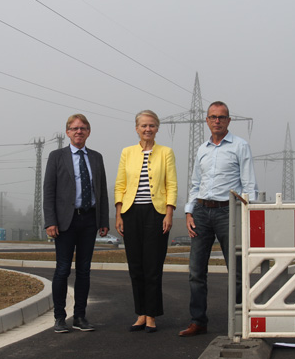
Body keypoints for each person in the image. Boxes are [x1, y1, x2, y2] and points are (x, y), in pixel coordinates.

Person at [179, 101, 258, 337]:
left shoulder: (240, 146)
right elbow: (195, 183)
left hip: (228, 212)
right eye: (213, 117)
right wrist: (189, 211)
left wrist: (248, 214)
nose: (217, 121)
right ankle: (198, 321)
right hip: (202, 212)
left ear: (229, 121)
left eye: (221, 117)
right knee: (196, 271)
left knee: (235, 270)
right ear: (206, 120)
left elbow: (249, 184)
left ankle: (240, 320)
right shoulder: (202, 149)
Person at [43, 113, 109, 333]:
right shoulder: (56, 156)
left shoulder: (96, 157)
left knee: (84, 270)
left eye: (83, 128)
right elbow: (49, 191)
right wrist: (50, 221)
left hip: (89, 220)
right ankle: (60, 317)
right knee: (62, 270)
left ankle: (80, 317)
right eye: (74, 128)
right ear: (67, 132)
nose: (78, 132)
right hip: (64, 222)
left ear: (88, 132)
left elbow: (102, 191)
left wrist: (103, 220)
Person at [114, 110, 177, 333]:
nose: (147, 129)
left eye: (151, 125)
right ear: (136, 128)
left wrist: (169, 213)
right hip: (131, 213)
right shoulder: (127, 152)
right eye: (143, 126)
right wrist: (119, 213)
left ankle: (152, 315)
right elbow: (120, 184)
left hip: (156, 213)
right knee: (136, 266)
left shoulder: (166, 152)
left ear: (157, 128)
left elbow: (171, 185)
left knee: (153, 266)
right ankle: (140, 313)